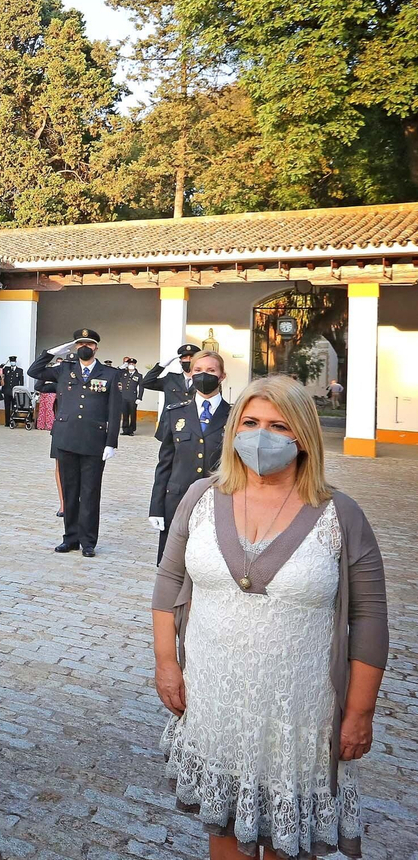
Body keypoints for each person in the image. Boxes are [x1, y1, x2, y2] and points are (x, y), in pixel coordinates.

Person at [153, 375, 387, 860]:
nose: (262, 436)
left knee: (287, 842)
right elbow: (169, 581)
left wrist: (360, 712)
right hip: (216, 702)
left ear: (303, 436)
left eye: (279, 426)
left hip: (298, 717)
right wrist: (166, 662)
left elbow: (369, 616)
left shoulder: (340, 515)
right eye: (251, 422)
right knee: (225, 832)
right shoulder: (200, 497)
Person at [29, 329, 123, 558]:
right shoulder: (64, 369)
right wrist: (53, 352)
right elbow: (34, 371)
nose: (84, 347)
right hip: (67, 437)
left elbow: (114, 410)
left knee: (90, 493)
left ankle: (88, 542)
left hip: (94, 440)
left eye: (89, 344)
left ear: (96, 348)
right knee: (70, 492)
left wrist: (111, 442)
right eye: (80, 344)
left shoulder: (109, 374)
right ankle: (70, 539)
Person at [148, 350, 229, 563]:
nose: (204, 375)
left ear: (222, 376)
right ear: (191, 374)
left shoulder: (235, 416)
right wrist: (156, 507)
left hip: (218, 503)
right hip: (177, 501)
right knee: (172, 567)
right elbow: (165, 464)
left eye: (211, 370)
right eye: (198, 370)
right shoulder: (175, 413)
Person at [143, 343, 201, 435]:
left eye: (192, 358)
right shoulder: (171, 378)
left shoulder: (204, 380)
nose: (188, 360)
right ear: (180, 362)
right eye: (185, 358)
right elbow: (146, 383)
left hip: (195, 426)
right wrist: (161, 366)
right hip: (170, 427)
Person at [119, 357, 143, 436]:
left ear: (135, 365)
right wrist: (123, 366)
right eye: (129, 364)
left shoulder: (138, 375)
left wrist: (139, 397)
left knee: (132, 414)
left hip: (133, 398)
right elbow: (117, 372)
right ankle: (125, 429)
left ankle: (131, 430)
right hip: (124, 396)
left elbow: (141, 387)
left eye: (132, 364)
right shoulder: (123, 373)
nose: (131, 365)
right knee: (125, 414)